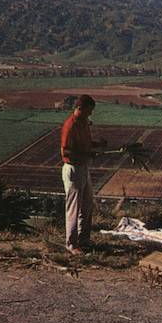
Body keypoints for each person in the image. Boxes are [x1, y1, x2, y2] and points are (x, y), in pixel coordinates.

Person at [60, 94, 106, 255]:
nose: (90, 114)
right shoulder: (70, 125)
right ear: (80, 108)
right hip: (73, 169)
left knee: (87, 204)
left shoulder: (84, 122)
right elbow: (65, 151)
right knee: (74, 207)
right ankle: (71, 244)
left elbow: (84, 145)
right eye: (89, 111)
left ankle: (83, 240)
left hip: (83, 167)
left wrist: (97, 145)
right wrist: (87, 155)